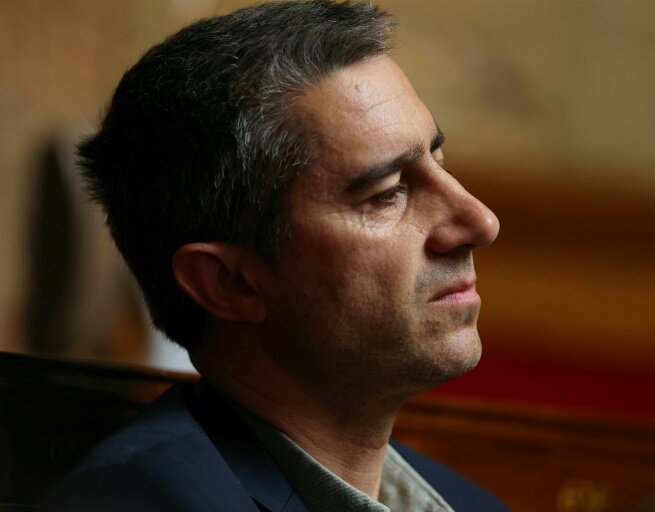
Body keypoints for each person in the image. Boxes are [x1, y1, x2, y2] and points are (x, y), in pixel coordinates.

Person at [46, 1, 503, 511]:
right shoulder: (137, 502)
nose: (481, 222)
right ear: (230, 283)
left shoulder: (471, 504)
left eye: (438, 160)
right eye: (387, 193)